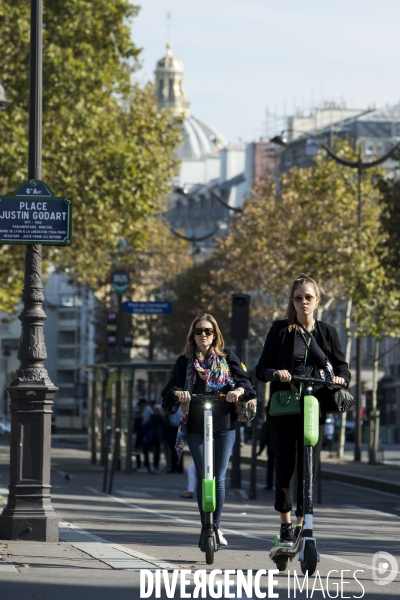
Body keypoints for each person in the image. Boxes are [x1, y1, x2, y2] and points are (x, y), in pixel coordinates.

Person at [256, 274, 351, 547]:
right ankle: (286, 525)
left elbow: (343, 369)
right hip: (285, 407)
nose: (303, 302)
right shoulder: (280, 330)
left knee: (309, 467)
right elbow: (260, 369)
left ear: (317, 300)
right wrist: (276, 373)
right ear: (292, 301)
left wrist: (340, 380)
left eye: (308, 297)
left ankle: (303, 524)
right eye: (298, 297)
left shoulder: (327, 331)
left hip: (314, 406)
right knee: (284, 465)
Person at [162, 312, 256, 547]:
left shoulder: (227, 357)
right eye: (198, 331)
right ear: (192, 336)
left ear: (215, 335)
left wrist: (238, 391)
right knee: (205, 476)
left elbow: (247, 383)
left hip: (224, 424)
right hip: (195, 424)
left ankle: (215, 526)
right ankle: (205, 526)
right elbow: (169, 390)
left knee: (219, 477)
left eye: (208, 331)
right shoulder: (184, 361)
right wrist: (178, 392)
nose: (203, 335)